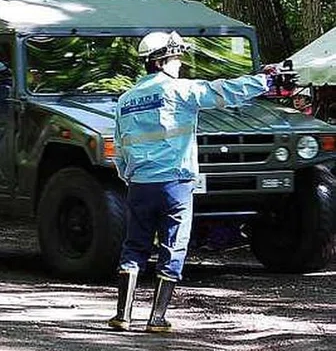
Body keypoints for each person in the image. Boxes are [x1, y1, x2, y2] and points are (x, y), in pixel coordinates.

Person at [108, 31, 273, 333]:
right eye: (176, 57)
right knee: (173, 245)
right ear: (161, 61)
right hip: (176, 184)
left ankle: (123, 316)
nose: (180, 63)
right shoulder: (179, 91)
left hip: (139, 185)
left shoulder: (125, 100)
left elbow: (118, 147)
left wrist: (129, 175)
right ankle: (157, 318)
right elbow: (224, 92)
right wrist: (266, 81)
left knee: (134, 246)